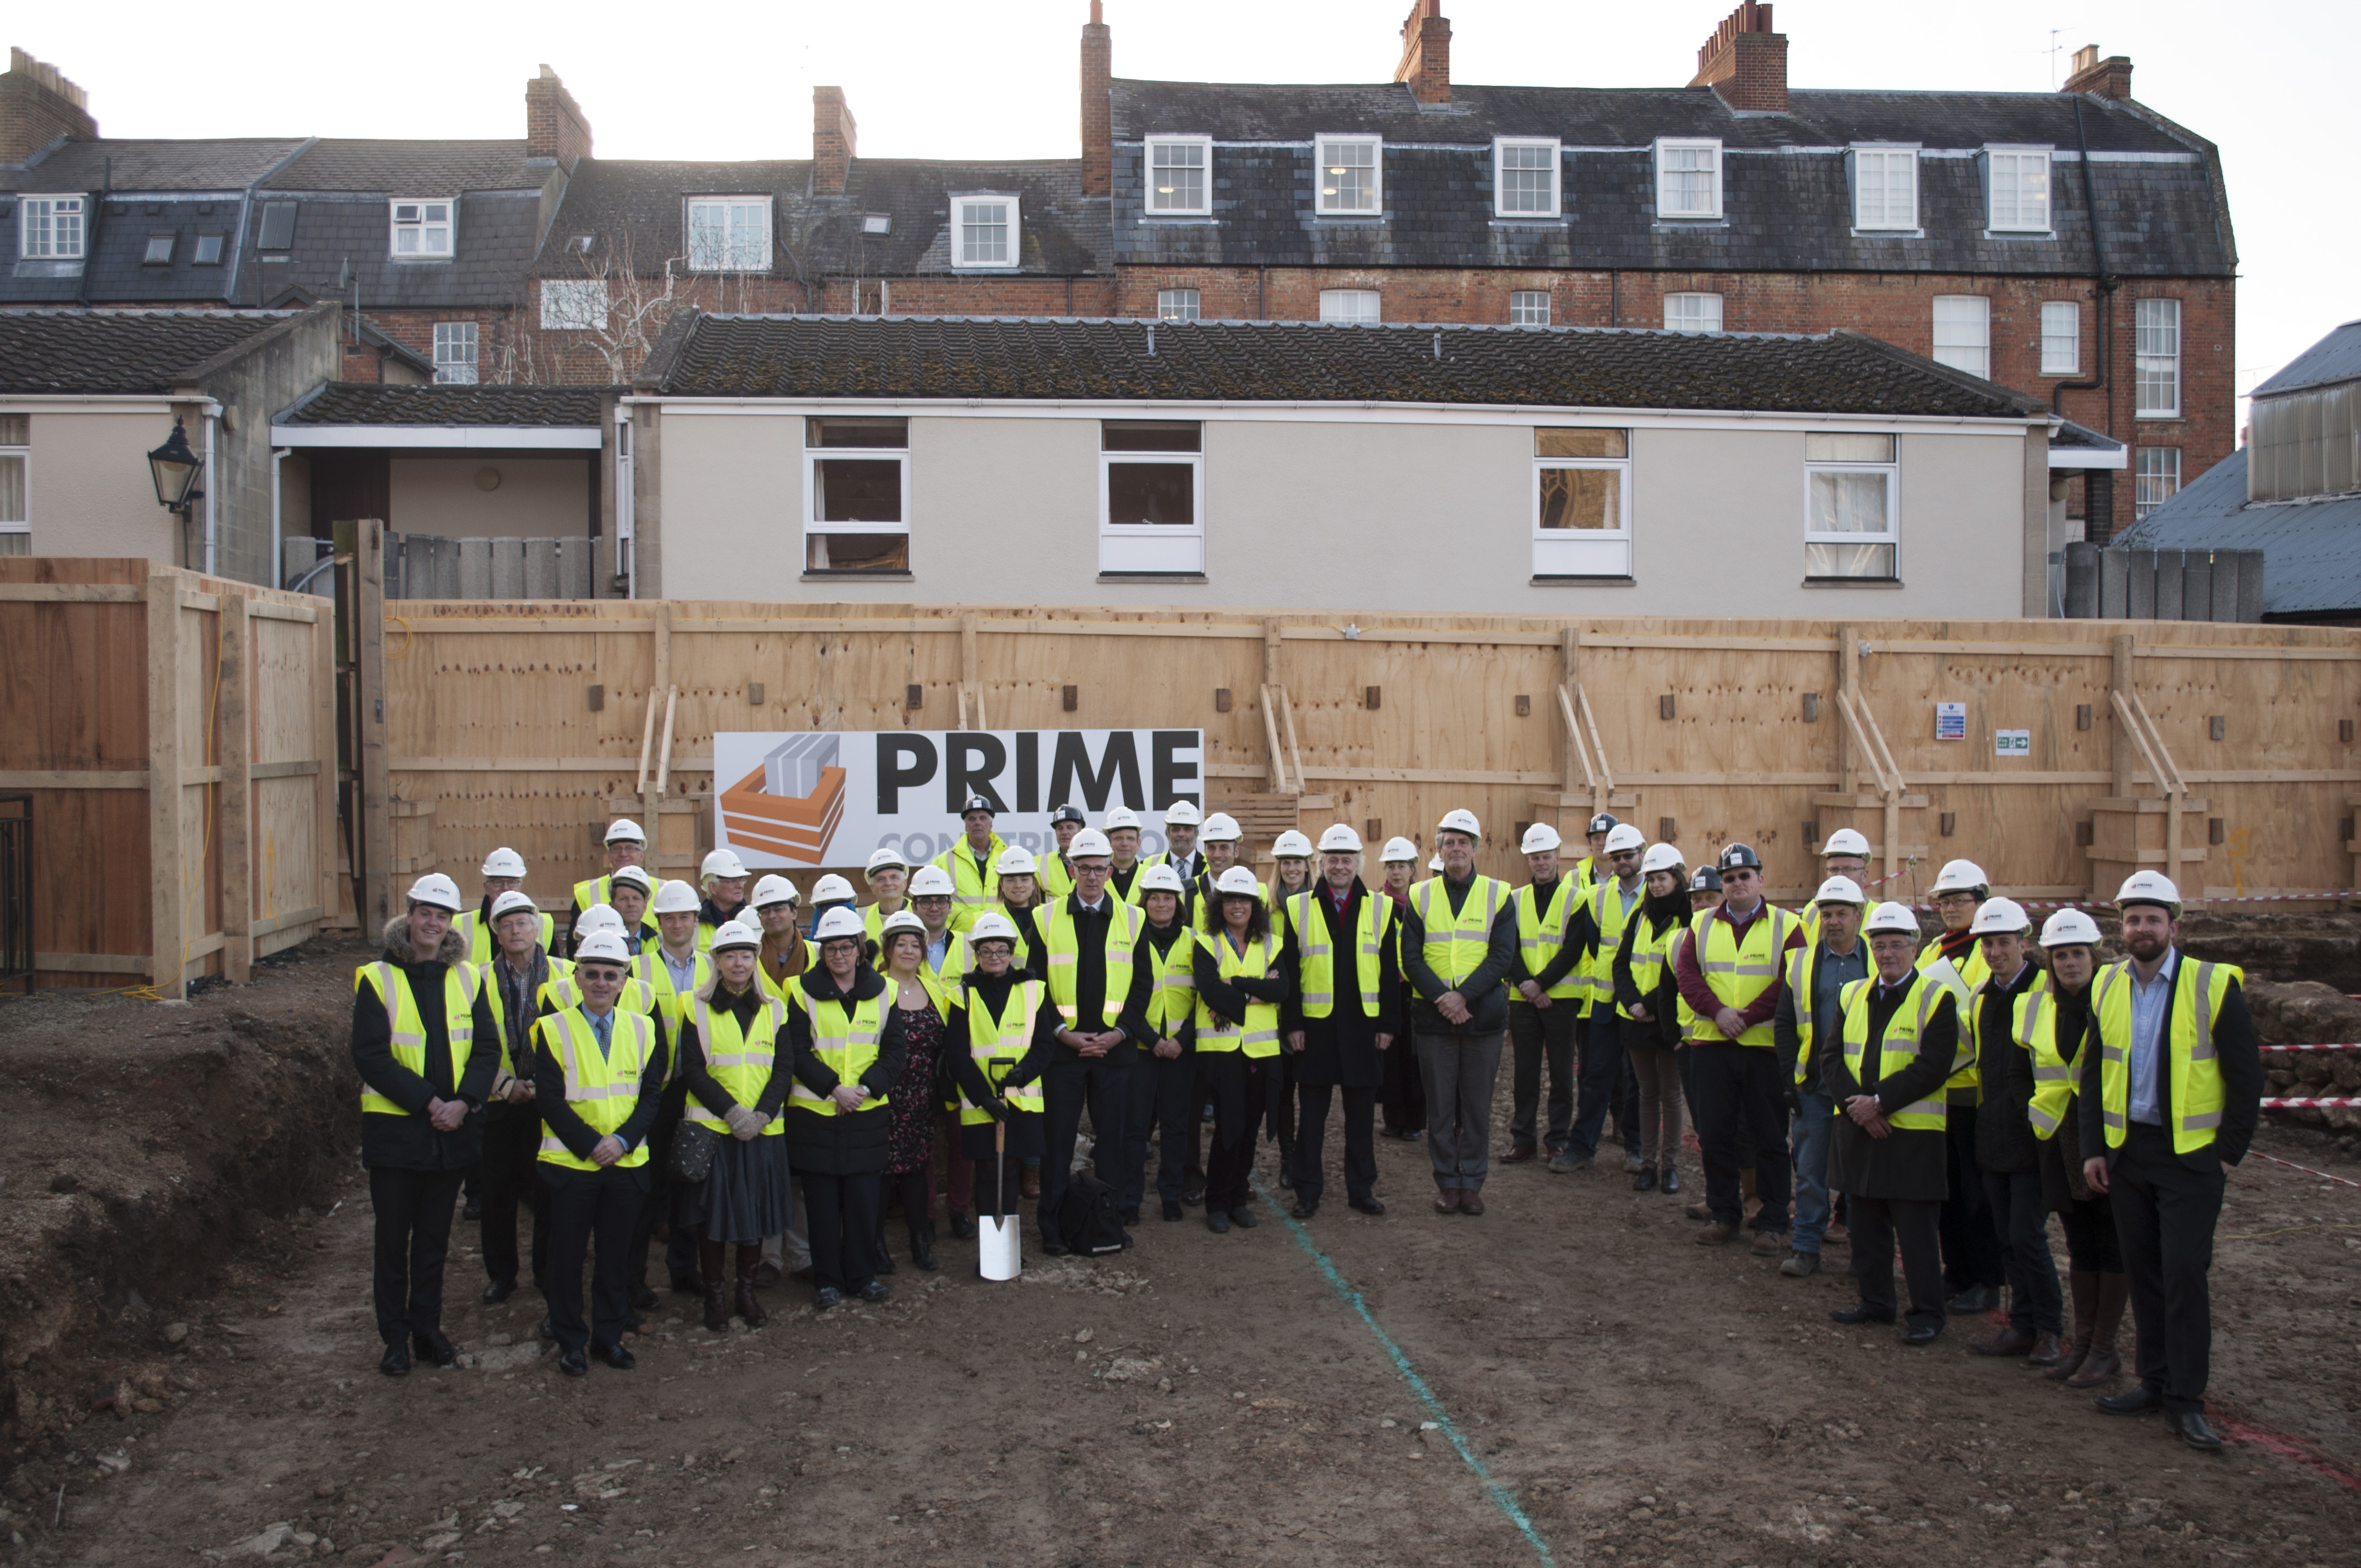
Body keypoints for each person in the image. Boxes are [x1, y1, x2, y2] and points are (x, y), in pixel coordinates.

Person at [2079, 872, 2262, 1450]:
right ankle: (2152, 1382)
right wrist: (2093, 1147)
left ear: (2173, 927)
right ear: (2122, 927)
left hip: (2189, 1159)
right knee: (2146, 1275)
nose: (2141, 928)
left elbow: (2245, 1077)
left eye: (2152, 919)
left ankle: (2186, 1399)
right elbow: (2091, 1073)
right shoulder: (2107, 984)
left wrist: (2226, 1154)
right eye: (2132, 919)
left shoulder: (2211, 985)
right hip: (2128, 1153)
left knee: (2184, 1274)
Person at [351, 873, 501, 1375]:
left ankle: (427, 1330)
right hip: (398, 1135)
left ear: (451, 923)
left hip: (450, 1135)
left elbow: (486, 1050)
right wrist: (429, 1103)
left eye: (442, 916)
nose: (432, 923)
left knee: (434, 1242)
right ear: (410, 917)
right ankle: (393, 1338)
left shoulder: (468, 977)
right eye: (425, 913)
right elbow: (371, 1056)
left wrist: (462, 1103)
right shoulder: (376, 978)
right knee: (393, 1242)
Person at [1827, 902, 1970, 1346]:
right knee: (1865, 1224)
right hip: (1859, 1129)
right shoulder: (1853, 994)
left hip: (1911, 1136)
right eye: (1880, 945)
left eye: (1896, 946)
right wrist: (1858, 1108)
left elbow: (1933, 1066)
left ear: (1915, 948)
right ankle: (1875, 1302)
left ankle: (1927, 1314)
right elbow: (1831, 1058)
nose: (1887, 954)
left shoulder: (1937, 998)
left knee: (1917, 1233)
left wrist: (1879, 1103)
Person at [534, 928, 667, 1375]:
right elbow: (550, 1099)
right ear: (578, 977)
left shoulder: (644, 1028)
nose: (601, 982)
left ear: (624, 981)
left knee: (615, 1258)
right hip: (572, 1167)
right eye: (592, 973)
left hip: (626, 1166)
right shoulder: (551, 1029)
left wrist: (622, 1141)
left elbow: (652, 1096)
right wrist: (593, 1145)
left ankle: (608, 1338)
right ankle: (570, 1339)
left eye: (611, 975)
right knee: (566, 1259)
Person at [1674, 842, 1805, 1253]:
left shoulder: (1788, 925)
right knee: (1715, 1134)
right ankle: (1724, 1213)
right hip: (1712, 1045)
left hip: (1764, 1046)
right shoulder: (1702, 925)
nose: (1736, 884)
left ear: (1760, 879)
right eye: (1729, 878)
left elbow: (1790, 981)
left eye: (1744, 876)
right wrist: (1718, 1012)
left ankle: (1772, 1220)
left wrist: (1744, 1017)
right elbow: (1688, 975)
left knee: (1769, 1137)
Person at [1032, 827, 1152, 1253]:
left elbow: (1142, 989)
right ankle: (1053, 1227)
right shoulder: (1044, 919)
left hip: (1114, 1055)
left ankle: (1108, 1223)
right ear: (1071, 869)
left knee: (1113, 1144)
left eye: (1100, 869)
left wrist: (1119, 1035)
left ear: (1110, 870)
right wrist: (1063, 1035)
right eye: (1084, 869)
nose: (1093, 877)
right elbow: (1035, 988)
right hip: (1063, 1057)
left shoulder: (1132, 919)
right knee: (1057, 1144)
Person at [2023, 909, 2130, 1388]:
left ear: (2095, 956)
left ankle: (2104, 1349)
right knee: (2081, 1244)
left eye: (2078, 954)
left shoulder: (2120, 1000)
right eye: (2061, 955)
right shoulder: (2041, 1006)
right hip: (2060, 1140)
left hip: (2109, 1141)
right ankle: (2084, 1344)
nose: (2069, 963)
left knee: (2113, 1246)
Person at [785, 907, 910, 1309]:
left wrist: (864, 1089)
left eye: (846, 947)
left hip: (866, 1112)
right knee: (821, 1204)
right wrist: (834, 1089)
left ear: (860, 949)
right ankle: (827, 1280)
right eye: (831, 949)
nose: (839, 955)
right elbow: (797, 1053)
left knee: (862, 1201)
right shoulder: (799, 991)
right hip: (817, 1114)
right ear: (821, 952)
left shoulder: (885, 990)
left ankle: (862, 1276)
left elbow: (894, 1051)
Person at [674, 920, 792, 1331]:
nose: (738, 963)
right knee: (713, 1221)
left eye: (746, 955)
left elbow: (783, 1068)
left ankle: (745, 1291)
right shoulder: (694, 1006)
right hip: (715, 1132)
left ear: (755, 959)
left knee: (754, 1217)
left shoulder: (775, 1008)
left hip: (762, 1132)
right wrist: (733, 1113)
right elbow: (693, 1069)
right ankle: (716, 1296)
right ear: (717, 962)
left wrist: (761, 1115)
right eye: (730, 956)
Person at [1963, 897, 2063, 1362]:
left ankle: (2050, 1330)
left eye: (2004, 942)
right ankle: (2022, 1325)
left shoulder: (2049, 990)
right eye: (1988, 943)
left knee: (2027, 1235)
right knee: (2006, 1235)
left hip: (2035, 1137)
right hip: (1994, 1134)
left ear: (2024, 942)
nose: (1995, 951)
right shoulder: (1983, 997)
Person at [1282, 825, 1398, 1219]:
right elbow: (1289, 974)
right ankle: (1307, 1191)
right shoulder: (1298, 907)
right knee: (1311, 1119)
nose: (1339, 866)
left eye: (1347, 859)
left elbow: (1389, 973)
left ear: (1358, 864)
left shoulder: (1381, 908)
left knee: (1362, 1120)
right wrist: (1292, 1024)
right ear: (1322, 864)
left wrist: (1388, 1025)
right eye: (1332, 859)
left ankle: (1361, 1189)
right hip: (1314, 1030)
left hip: (1364, 1030)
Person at [1403, 809, 1515, 1216]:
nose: (1455, 848)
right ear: (1438, 848)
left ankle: (1472, 1183)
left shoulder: (1499, 894)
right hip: (1435, 1020)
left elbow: (1502, 956)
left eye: (1463, 842)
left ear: (1476, 848)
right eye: (1448, 842)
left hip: (1482, 1019)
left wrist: (1463, 996)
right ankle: (1448, 1183)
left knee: (1476, 1107)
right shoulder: (1420, 895)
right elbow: (1411, 958)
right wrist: (1443, 999)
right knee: (1440, 1108)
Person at [1772, 875, 1871, 1277]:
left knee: (1865, 1177)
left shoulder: (1879, 959)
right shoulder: (1801, 963)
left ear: (1858, 916)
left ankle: (1866, 1257)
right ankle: (1807, 1246)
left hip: (1865, 1089)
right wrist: (1788, 1079)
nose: (1833, 921)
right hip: (1815, 1086)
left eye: (1841, 914)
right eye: (1826, 914)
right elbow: (1784, 1022)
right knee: (1811, 1171)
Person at [1539, 822, 1650, 1174]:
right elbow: (1590, 944)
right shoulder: (1597, 898)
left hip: (1642, 1007)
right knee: (1595, 1078)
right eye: (1616, 857)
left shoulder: (1656, 896)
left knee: (1637, 1081)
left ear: (1642, 854)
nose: (1622, 862)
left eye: (1628, 855)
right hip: (1605, 1002)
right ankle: (1583, 1148)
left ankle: (1636, 1148)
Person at [1922, 858, 2005, 1316]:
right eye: (1945, 900)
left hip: (1977, 1091)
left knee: (1979, 1195)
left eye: (1960, 899)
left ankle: (1987, 1279)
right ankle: (1956, 1271)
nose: (1951, 907)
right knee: (1947, 1189)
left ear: (1981, 900)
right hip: (1939, 1091)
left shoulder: (1990, 949)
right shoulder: (1934, 948)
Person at [478, 889, 562, 1305]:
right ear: (496, 932)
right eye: (506, 924)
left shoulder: (567, 974)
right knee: (497, 1193)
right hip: (499, 1101)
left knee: (547, 1191)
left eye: (522, 922)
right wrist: (503, 1085)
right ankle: (501, 1274)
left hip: (549, 1100)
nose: (515, 930)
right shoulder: (476, 979)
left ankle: (546, 1273)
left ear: (537, 926)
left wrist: (544, 1085)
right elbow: (471, 1045)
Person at [631, 878, 711, 1303]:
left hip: (697, 1092)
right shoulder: (637, 968)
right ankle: (637, 1278)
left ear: (696, 921)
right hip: (652, 1092)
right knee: (646, 1185)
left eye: (685, 916)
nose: (677, 924)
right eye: (669, 918)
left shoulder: (713, 967)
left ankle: (684, 1269)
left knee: (689, 1185)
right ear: (657, 922)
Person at [1196, 865, 1288, 1232]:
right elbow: (1209, 990)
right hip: (1221, 1050)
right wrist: (1256, 991)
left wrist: (1236, 984)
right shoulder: (1206, 943)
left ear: (1255, 905)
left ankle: (1238, 1196)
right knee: (1228, 1126)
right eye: (1231, 899)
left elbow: (1281, 992)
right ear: (1220, 904)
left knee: (1250, 1127)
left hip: (1261, 1053)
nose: (1238, 906)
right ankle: (1216, 1202)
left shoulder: (1272, 944)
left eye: (1244, 900)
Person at [947, 914, 1051, 1238]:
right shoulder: (962, 994)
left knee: (1011, 1169)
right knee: (987, 1170)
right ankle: (988, 1240)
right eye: (987, 951)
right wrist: (984, 1098)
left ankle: (1007, 1238)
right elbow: (957, 1054)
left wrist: (1023, 1073)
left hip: (1021, 1100)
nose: (995, 957)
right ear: (976, 955)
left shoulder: (1032, 990)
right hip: (981, 1102)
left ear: (1012, 952)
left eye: (1001, 950)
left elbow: (1045, 1044)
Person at [1121, 865, 1201, 1223]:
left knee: (1175, 1125)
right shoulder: (1130, 939)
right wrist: (1152, 1040)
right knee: (1136, 1126)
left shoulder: (1196, 941)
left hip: (1182, 1051)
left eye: (1168, 897)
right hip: (1141, 1048)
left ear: (1178, 902)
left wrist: (1181, 1040)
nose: (1161, 904)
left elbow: (1205, 998)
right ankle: (1132, 1198)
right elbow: (1122, 996)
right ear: (1145, 901)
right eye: (1155, 898)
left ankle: (1170, 1194)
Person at [1499, 823, 1581, 1170]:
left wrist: (1540, 985)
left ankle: (1557, 1140)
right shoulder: (1514, 899)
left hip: (1561, 998)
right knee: (1525, 1073)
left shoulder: (1577, 899)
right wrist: (1528, 986)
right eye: (1535, 858)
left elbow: (1573, 950)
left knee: (1562, 1075)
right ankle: (1524, 1139)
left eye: (1546, 857)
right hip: (1524, 999)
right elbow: (1507, 949)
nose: (1541, 863)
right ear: (1527, 860)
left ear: (1557, 857)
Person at [875, 909, 953, 1272]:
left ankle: (920, 1240)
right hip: (882, 1096)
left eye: (915, 945)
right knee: (881, 1172)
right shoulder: (874, 989)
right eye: (901, 944)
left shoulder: (934, 990)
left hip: (922, 1096)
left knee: (916, 1170)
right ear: (888, 949)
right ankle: (876, 1244)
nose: (909, 951)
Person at [1613, 845, 1691, 1194]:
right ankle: (1648, 1164)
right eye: (1652, 879)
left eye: (1662, 878)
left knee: (1671, 1095)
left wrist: (1649, 1005)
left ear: (1677, 879)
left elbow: (1682, 973)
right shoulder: (1640, 917)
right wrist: (1632, 1003)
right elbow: (1621, 963)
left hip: (1667, 1020)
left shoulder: (1689, 919)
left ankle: (1670, 1166)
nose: (1656, 885)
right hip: (1635, 1019)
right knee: (1646, 1093)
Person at [1264, 830, 1315, 1187]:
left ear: (1308, 866)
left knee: (1310, 1091)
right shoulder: (1266, 910)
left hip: (1312, 1012)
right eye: (1286, 863)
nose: (1292, 869)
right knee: (1282, 1094)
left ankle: (1305, 1158)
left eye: (1297, 862)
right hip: (1274, 1014)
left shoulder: (1320, 906)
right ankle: (1287, 1157)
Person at [1375, 836, 1427, 1142]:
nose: (1396, 872)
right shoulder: (1377, 904)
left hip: (1417, 989)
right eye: (1391, 866)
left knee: (1416, 1056)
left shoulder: (1423, 904)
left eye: (1402, 866)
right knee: (1390, 1054)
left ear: (1413, 870)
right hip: (1388, 988)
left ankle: (1415, 1119)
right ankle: (1393, 1118)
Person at [453, 847, 551, 963]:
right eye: (498, 882)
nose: (505, 888)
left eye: (512, 882)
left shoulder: (544, 924)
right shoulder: (460, 924)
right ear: (486, 887)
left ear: (520, 886)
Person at [567, 819, 648, 955]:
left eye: (630, 848)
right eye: (617, 849)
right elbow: (573, 948)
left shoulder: (661, 890)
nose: (623, 854)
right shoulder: (586, 894)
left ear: (642, 854)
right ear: (609, 855)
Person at [933, 794, 1008, 933]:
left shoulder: (1008, 857)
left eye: (983, 818)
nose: (977, 823)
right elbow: (936, 900)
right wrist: (968, 924)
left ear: (991, 825)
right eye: (972, 819)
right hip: (960, 934)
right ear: (966, 826)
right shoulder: (943, 861)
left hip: (1002, 933)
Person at [1798, 829, 1872, 944]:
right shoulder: (1812, 912)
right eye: (1834, 870)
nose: (1840, 876)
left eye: (1849, 869)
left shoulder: (1877, 916)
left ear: (1865, 874)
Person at [991, 847, 1046, 973]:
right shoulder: (988, 920)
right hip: (1007, 991)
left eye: (1024, 879)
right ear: (1001, 886)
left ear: (1034, 884)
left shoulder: (1050, 915)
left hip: (1041, 990)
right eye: (1011, 880)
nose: (1018, 885)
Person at [695, 849, 751, 952]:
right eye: (733, 881)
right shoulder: (694, 923)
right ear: (713, 887)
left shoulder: (754, 918)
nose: (740, 886)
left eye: (742, 879)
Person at [859, 846, 913, 952]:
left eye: (894, 877)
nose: (888, 883)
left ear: (905, 884)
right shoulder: (859, 917)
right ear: (872, 888)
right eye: (881, 879)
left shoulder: (921, 913)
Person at [1152, 801, 1205, 895]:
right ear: (1167, 834)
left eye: (1187, 829)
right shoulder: (1149, 865)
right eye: (1176, 829)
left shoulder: (1211, 864)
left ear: (1196, 834)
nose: (1181, 834)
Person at [1038, 803, 1086, 902]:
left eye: (1070, 827)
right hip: (1053, 918)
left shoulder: (1096, 861)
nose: (1064, 832)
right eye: (1060, 828)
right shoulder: (1040, 863)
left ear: (1081, 831)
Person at [606, 866, 658, 954]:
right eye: (623, 899)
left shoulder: (660, 943)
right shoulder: (603, 941)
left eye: (636, 898)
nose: (631, 904)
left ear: (645, 906)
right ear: (612, 906)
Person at [1104, 807, 1148, 903]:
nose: (1125, 844)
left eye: (1130, 839)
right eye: (1118, 838)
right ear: (1108, 843)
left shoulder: (1151, 876)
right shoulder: (1096, 876)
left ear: (1139, 843)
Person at [1569, 812, 1618, 898]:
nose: (1602, 843)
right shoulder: (1573, 878)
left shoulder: (1627, 875)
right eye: (1597, 838)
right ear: (1590, 843)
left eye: (1607, 838)